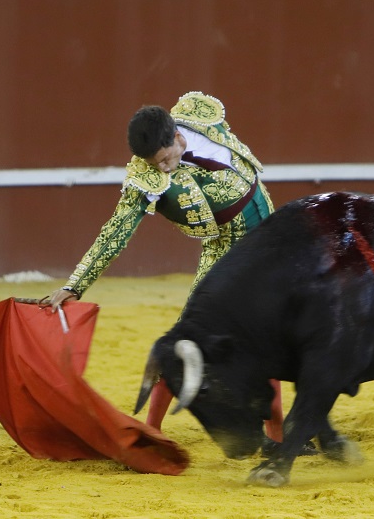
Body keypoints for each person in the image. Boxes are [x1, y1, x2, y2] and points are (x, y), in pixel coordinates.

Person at [40, 92, 281, 434]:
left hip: (272, 233)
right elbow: (116, 231)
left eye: (167, 159)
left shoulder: (201, 115)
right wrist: (74, 285)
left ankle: (283, 437)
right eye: (156, 164)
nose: (164, 169)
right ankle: (152, 430)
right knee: (187, 336)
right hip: (226, 245)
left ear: (179, 138)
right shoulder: (146, 179)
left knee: (276, 333)